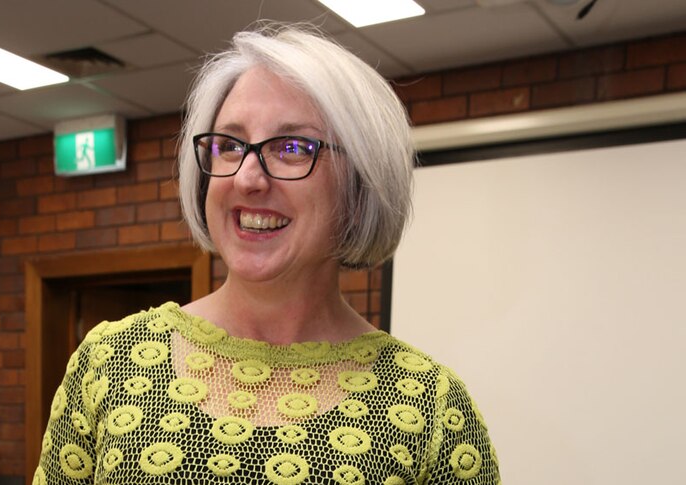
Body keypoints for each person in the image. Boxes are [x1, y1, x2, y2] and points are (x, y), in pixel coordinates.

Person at [33, 23, 499, 485]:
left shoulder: (431, 412)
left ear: (360, 182)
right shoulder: (110, 364)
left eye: (292, 147)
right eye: (230, 146)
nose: (247, 178)